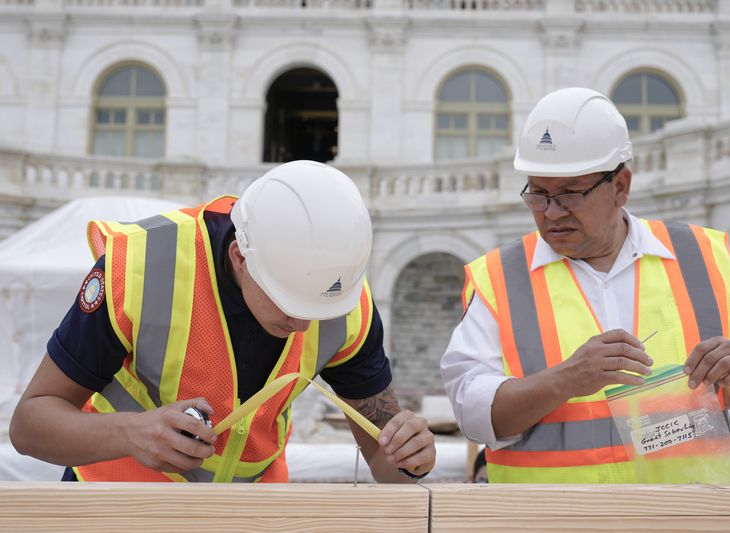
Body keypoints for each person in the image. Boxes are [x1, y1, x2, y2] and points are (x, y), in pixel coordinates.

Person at [441, 87, 730, 483]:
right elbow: (472, 414)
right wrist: (567, 379)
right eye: (538, 193)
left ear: (621, 186)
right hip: (551, 522)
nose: (551, 213)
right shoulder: (500, 278)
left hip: (688, 519)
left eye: (569, 193)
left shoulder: (700, 257)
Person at [10, 160, 436, 483]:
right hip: (117, 509)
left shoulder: (341, 298)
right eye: (287, 302)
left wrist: (411, 457)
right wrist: (130, 433)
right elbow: (29, 425)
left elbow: (388, 462)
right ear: (240, 257)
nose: (304, 326)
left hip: (244, 517)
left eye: (317, 310)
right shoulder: (138, 270)